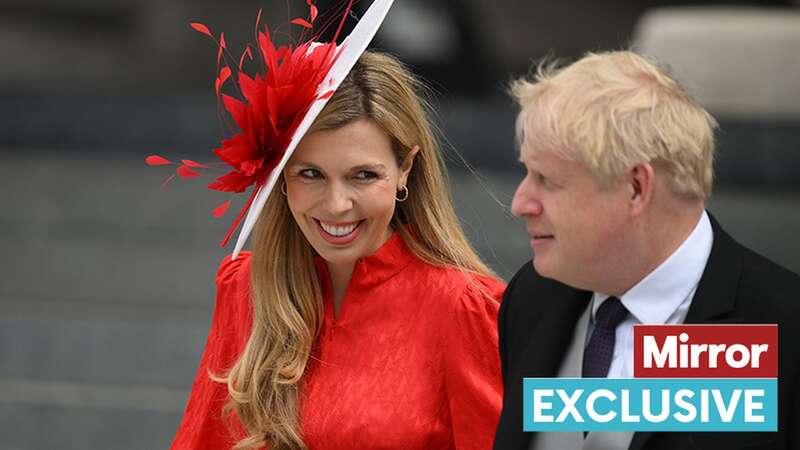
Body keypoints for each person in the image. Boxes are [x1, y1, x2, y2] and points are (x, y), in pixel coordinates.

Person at [168, 47, 505, 448]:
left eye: (363, 175)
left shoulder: (464, 306)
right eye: (311, 174)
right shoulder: (245, 288)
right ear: (280, 177)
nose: (335, 204)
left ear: (405, 170)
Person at [492, 50, 800, 450]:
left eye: (546, 180)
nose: (520, 203)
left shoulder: (782, 328)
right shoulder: (534, 298)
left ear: (636, 187)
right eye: (526, 173)